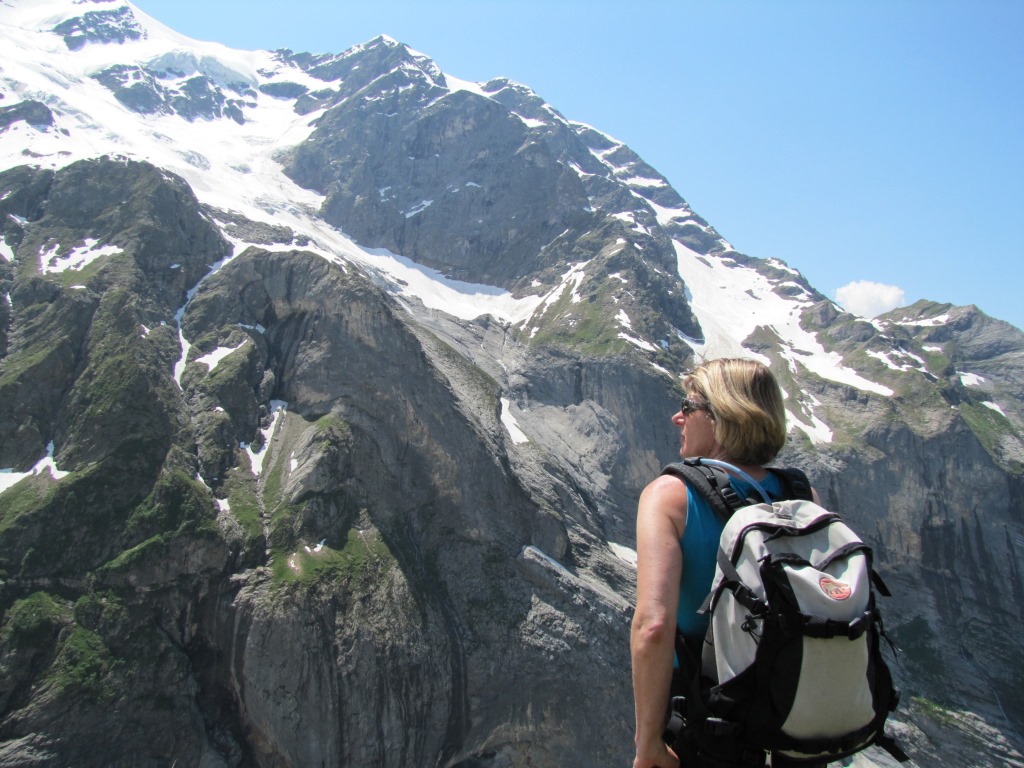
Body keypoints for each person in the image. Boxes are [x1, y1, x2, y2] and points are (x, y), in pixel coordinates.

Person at [630, 358, 819, 768]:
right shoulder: (802, 495)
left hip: (708, 726)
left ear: (721, 415)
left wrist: (648, 744)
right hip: (794, 724)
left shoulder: (670, 495)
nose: (677, 417)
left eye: (689, 406)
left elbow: (653, 626)